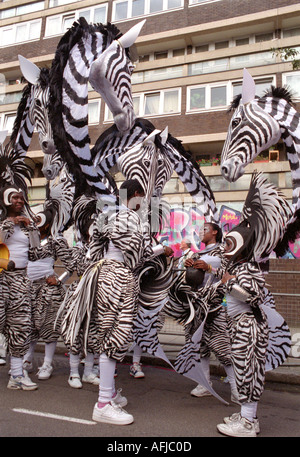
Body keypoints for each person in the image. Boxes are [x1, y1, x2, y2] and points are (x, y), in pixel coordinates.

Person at [61, 179, 173, 425]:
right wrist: (161, 250)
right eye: (142, 197)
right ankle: (102, 403)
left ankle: (109, 393)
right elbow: (138, 255)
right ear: (135, 195)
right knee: (116, 336)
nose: (144, 202)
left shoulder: (106, 214)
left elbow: (93, 249)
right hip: (119, 277)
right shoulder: (129, 218)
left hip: (106, 274)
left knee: (107, 335)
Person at [216, 172, 292, 437]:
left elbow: (253, 297)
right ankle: (246, 416)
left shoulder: (248, 267)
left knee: (248, 372)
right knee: (242, 370)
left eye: (228, 241)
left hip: (249, 327)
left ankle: (249, 423)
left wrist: (228, 283)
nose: (225, 245)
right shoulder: (239, 265)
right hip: (240, 327)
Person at [184, 222, 239, 403]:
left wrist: (209, 268)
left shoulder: (223, 251)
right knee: (199, 348)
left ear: (215, 232)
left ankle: (236, 389)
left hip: (215, 307)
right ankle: (205, 384)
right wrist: (188, 263)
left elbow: (228, 273)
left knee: (223, 349)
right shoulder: (197, 253)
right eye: (200, 229)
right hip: (197, 306)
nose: (201, 232)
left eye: (205, 229)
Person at [0, 186, 41, 390]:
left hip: (21, 279)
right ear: (6, 200)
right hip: (1, 277)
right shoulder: (2, 221)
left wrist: (32, 230)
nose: (19, 201)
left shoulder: (27, 225)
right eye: (15, 197)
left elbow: (35, 254)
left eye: (21, 198)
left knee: (21, 326)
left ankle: (16, 375)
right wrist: (9, 224)